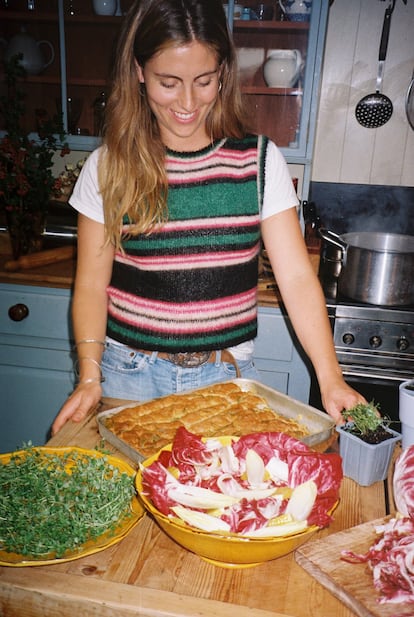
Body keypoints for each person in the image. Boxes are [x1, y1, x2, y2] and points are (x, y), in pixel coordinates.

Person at [51, 0, 365, 436]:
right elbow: (90, 285)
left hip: (225, 379)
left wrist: (329, 377)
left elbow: (294, 277)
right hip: (128, 376)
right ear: (139, 71)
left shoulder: (259, 162)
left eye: (204, 81)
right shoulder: (108, 167)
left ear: (223, 71)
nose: (187, 102)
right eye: (168, 82)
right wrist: (89, 376)